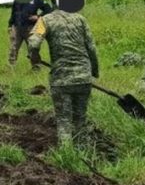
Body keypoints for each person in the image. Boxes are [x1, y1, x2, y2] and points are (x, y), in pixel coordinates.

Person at [27, 8, 99, 143]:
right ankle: (82, 150)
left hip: (61, 79)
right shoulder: (80, 19)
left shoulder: (45, 20)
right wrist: (93, 71)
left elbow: (34, 42)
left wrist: (34, 56)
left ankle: (67, 156)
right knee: (80, 118)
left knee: (64, 120)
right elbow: (92, 48)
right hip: (83, 77)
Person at [9, 0, 53, 68]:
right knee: (13, 48)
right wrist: (10, 25)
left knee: (33, 48)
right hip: (17, 28)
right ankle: (11, 67)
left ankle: (36, 67)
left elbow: (48, 9)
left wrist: (38, 16)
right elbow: (13, 12)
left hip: (30, 28)